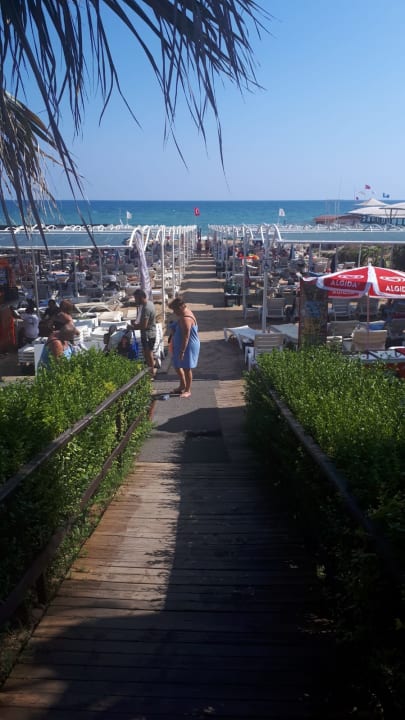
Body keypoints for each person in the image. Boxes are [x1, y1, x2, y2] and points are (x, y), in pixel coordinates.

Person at [168, 296, 200, 398]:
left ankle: (187, 390)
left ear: (180, 308)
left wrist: (182, 351)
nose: (174, 313)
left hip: (188, 346)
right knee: (177, 365)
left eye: (174, 310)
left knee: (186, 367)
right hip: (180, 345)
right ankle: (182, 385)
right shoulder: (183, 314)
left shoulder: (186, 318)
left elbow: (186, 337)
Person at [132, 289, 157, 377]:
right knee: (147, 352)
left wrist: (133, 327)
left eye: (136, 298)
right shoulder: (149, 304)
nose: (135, 301)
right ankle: (150, 370)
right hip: (150, 333)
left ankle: (152, 372)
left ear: (141, 297)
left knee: (148, 353)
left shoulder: (146, 308)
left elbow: (144, 325)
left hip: (148, 335)